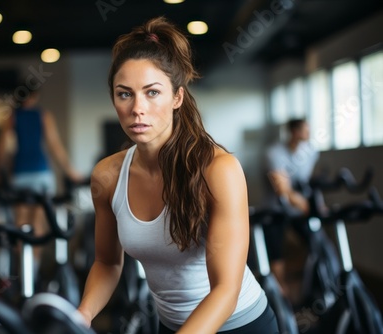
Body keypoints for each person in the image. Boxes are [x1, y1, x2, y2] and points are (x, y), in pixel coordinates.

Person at [77, 16, 279, 333]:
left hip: (240, 324)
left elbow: (226, 290)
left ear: (177, 97)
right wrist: (82, 315)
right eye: (125, 93)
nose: (137, 108)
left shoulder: (218, 170)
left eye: (152, 92)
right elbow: (107, 262)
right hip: (171, 325)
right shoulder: (108, 175)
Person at [0, 87, 84, 282]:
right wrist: (70, 171)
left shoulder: (12, 117)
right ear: (34, 97)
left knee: (21, 225)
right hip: (41, 174)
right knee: (38, 226)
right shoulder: (43, 115)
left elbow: (2, 149)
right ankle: (32, 272)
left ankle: (25, 273)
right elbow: (54, 145)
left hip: (19, 175)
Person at [262, 118, 320, 299]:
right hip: (275, 209)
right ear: (294, 132)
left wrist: (318, 203)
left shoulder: (311, 152)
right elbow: (282, 188)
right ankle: (281, 292)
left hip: (296, 210)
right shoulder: (274, 153)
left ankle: (310, 284)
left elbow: (306, 182)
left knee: (315, 242)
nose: (308, 134)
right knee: (276, 251)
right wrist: (301, 202)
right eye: (304, 130)